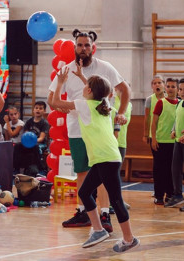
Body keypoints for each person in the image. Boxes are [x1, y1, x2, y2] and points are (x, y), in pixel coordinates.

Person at [47, 29, 131, 230]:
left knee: (101, 173)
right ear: (75, 47)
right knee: (82, 171)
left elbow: (125, 89)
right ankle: (84, 212)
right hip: (78, 129)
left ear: (93, 47)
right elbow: (52, 101)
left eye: (87, 45)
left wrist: (120, 115)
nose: (83, 48)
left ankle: (104, 214)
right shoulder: (67, 70)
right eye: (80, 45)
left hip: (99, 130)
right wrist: (61, 105)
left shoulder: (105, 67)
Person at [52, 67, 139, 252]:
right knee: (84, 193)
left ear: (90, 91)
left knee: (116, 200)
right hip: (106, 157)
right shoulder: (104, 104)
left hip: (105, 157)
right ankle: (99, 229)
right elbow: (97, 91)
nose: (84, 88)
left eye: (86, 86)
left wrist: (60, 83)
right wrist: (84, 77)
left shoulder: (85, 105)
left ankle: (129, 239)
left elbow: (55, 102)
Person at [165, 76, 184, 211]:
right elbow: (177, 120)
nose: (182, 92)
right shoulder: (178, 103)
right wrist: (173, 130)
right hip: (179, 142)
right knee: (175, 169)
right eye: (181, 89)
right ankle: (177, 195)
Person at [151, 77, 178, 205]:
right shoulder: (161, 102)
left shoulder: (180, 104)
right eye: (168, 86)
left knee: (171, 170)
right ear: (165, 88)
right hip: (160, 141)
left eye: (173, 86)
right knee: (159, 170)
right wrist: (154, 139)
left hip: (175, 143)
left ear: (177, 89)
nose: (171, 89)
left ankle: (170, 194)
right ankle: (159, 195)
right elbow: (154, 122)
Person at [12, 101, 49, 176]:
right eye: (36, 108)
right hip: (28, 142)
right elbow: (26, 134)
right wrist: (27, 142)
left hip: (39, 144)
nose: (38, 110)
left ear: (44, 111)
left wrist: (33, 141)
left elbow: (41, 138)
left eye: (40, 108)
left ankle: (39, 169)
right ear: (33, 110)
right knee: (17, 146)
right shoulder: (29, 122)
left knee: (35, 147)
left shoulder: (44, 123)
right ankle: (16, 168)